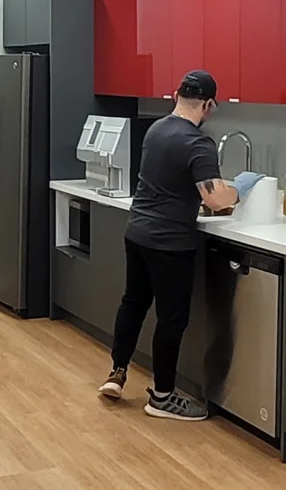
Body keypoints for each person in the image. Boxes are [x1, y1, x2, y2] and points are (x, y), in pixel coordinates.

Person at [101, 69, 238, 420]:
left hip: (138, 232)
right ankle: (162, 396)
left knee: (133, 303)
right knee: (171, 319)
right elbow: (216, 198)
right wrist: (241, 188)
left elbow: (174, 181)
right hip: (169, 243)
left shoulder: (157, 130)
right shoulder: (197, 142)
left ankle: (117, 372)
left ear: (176, 95)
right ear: (208, 104)